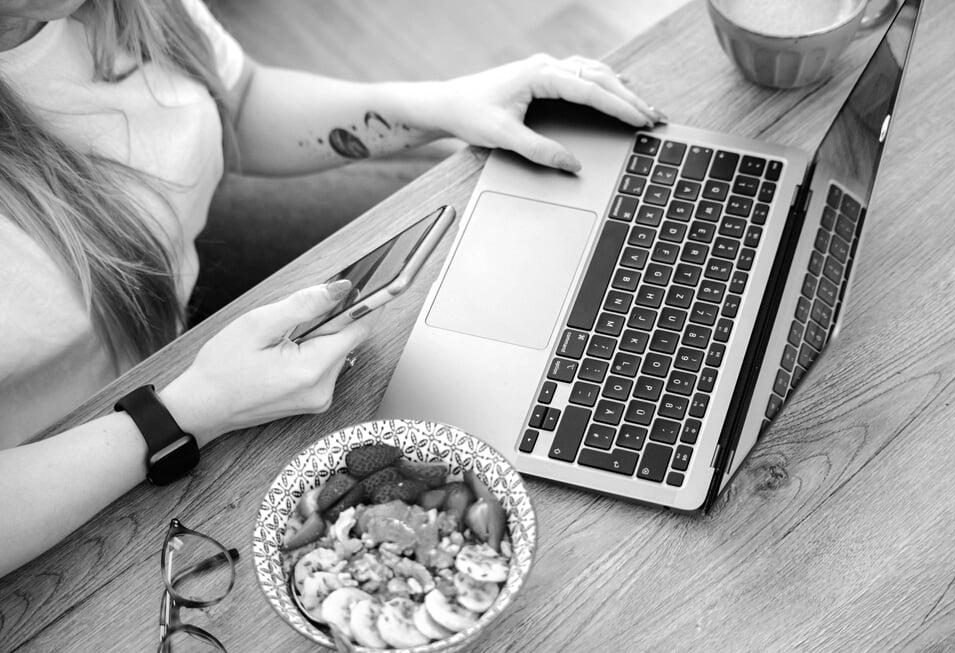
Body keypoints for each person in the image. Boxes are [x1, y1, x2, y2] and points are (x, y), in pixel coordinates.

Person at [0, 0, 661, 577]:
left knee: (447, 206)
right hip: (63, 462)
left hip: (162, 292)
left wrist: (441, 105)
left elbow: (237, 99)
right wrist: (189, 411)